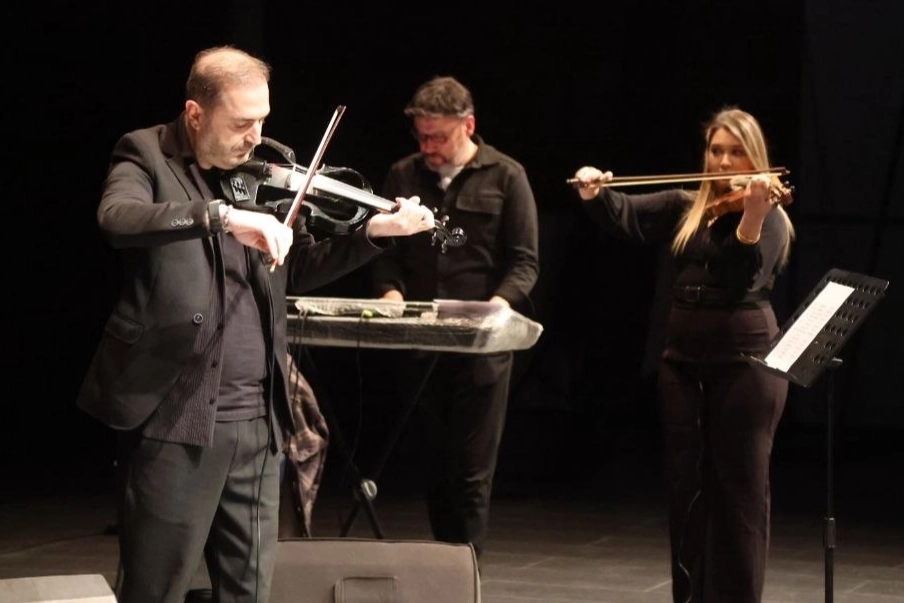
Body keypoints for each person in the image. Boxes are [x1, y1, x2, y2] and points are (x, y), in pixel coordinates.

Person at [76, 45, 437, 603]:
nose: (255, 137)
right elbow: (117, 218)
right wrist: (221, 217)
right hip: (176, 419)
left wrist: (372, 235)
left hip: (259, 423)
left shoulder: (259, 176)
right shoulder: (145, 153)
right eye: (241, 123)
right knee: (155, 588)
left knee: (249, 590)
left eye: (262, 120)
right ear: (196, 113)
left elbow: (297, 267)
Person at [572, 107, 794, 603]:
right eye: (716, 150)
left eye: (736, 152)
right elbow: (626, 214)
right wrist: (594, 192)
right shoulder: (688, 205)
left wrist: (752, 216)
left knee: (739, 492)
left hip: (745, 364)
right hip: (682, 361)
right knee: (686, 488)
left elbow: (740, 274)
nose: (724, 162)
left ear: (755, 157)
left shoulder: (770, 215)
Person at [371, 75, 540, 561]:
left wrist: (499, 305)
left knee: (470, 473)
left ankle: (465, 573)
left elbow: (525, 262)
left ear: (468, 126)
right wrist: (390, 292)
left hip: (480, 351)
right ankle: (446, 569)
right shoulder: (402, 174)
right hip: (421, 345)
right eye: (421, 136)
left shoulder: (507, 175)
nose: (428, 147)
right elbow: (383, 251)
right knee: (434, 467)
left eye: (438, 137)